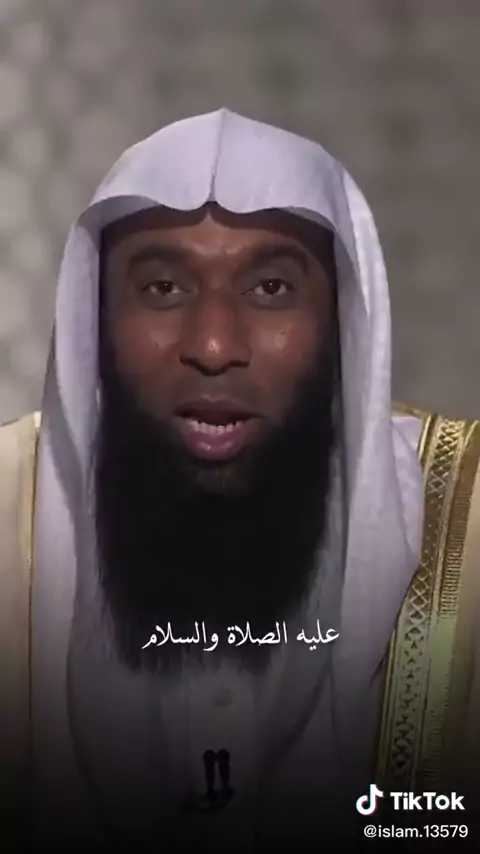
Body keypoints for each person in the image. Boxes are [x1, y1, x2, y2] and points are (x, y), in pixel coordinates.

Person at [1, 108, 479, 851]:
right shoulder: (10, 516)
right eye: (163, 288)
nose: (215, 344)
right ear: (96, 320)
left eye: (272, 289)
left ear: (342, 321)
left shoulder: (469, 528)